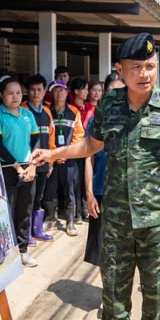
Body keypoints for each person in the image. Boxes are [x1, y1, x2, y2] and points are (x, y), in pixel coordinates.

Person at [30, 33, 160, 320]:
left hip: (159, 219)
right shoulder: (109, 106)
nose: (145, 74)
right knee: (114, 287)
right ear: (120, 70)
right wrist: (54, 153)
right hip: (117, 218)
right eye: (136, 67)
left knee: (156, 289)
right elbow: (92, 143)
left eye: (150, 66)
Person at [83, 73, 126, 320]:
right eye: (112, 92)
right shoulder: (96, 122)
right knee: (103, 250)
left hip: (128, 197)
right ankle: (108, 296)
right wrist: (89, 193)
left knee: (125, 250)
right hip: (101, 192)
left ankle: (120, 294)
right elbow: (88, 158)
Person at [0, 78, 40, 268]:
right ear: (2, 95)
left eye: (18, 93)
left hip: (28, 168)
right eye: (10, 93)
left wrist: (33, 165)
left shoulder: (28, 115)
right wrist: (18, 167)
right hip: (7, 169)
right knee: (7, 211)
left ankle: (23, 251)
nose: (15, 97)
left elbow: (36, 141)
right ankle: (6, 253)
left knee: (25, 210)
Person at [44, 80, 85, 237]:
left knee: (70, 190)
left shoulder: (74, 112)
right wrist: (54, 155)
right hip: (52, 159)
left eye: (62, 90)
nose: (59, 93)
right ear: (51, 93)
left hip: (69, 159)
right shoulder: (47, 111)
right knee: (50, 189)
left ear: (67, 93)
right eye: (55, 90)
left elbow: (79, 135)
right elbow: (45, 136)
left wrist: (66, 154)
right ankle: (51, 218)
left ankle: (70, 221)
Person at [21, 74, 55, 244]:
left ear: (44, 92)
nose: (36, 93)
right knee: (27, 198)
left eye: (39, 90)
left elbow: (51, 139)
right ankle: (25, 234)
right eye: (32, 90)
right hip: (27, 164)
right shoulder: (22, 110)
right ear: (27, 91)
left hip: (43, 163)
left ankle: (37, 229)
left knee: (39, 196)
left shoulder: (47, 112)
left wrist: (51, 162)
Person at [70, 77, 95, 223]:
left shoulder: (91, 108)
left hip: (91, 147)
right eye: (85, 89)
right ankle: (77, 212)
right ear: (76, 91)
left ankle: (86, 208)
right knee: (76, 182)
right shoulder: (71, 108)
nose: (87, 92)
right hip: (77, 148)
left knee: (88, 178)